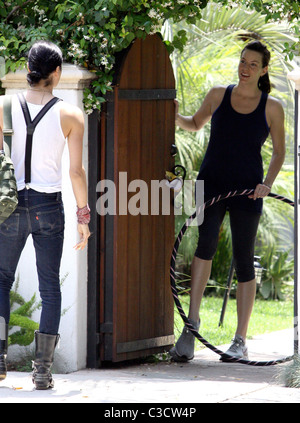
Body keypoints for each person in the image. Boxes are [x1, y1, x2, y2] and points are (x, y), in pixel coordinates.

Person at [170, 41, 285, 362]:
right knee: (204, 246)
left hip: (249, 189)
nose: (244, 68)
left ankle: (239, 339)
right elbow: (194, 124)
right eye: (242, 61)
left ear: (263, 70)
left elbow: (279, 152)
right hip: (211, 184)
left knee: (244, 257)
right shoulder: (218, 94)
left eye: (252, 64)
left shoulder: (272, 106)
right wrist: (173, 114)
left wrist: (266, 184)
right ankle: (191, 326)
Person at [0, 41, 90, 389]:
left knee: (1, 280)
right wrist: (84, 217)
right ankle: (42, 371)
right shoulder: (71, 114)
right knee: (51, 287)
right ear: (56, 74)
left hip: (10, 205)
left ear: (28, 69)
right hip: (48, 205)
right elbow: (76, 173)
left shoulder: (4, 106)